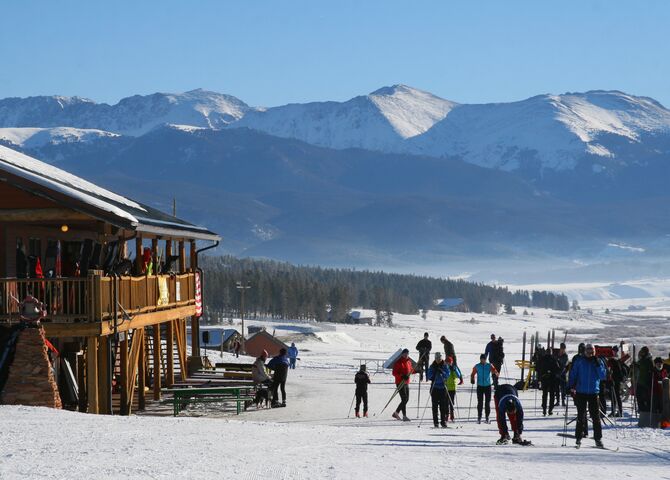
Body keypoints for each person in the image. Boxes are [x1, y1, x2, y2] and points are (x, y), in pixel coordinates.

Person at [569, 343, 607, 448]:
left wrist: (598, 365)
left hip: (593, 392)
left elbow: (603, 376)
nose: (590, 354)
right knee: (581, 416)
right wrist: (570, 385)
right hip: (581, 391)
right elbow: (573, 374)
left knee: (596, 417)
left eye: (592, 352)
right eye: (588, 352)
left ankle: (598, 438)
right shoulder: (580, 361)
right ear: (585, 352)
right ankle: (578, 437)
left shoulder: (598, 361)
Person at [471, 354, 498, 423]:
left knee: (487, 403)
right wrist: (472, 379)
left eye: (484, 359)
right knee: (480, 402)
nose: (482, 361)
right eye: (481, 359)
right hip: (480, 386)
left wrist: (495, 374)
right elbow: (473, 373)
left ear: (486, 359)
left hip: (487, 386)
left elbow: (495, 372)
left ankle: (487, 417)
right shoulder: (477, 366)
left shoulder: (489, 365)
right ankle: (479, 417)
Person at [426, 352, 451, 427]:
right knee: (434, 406)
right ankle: (435, 422)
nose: (438, 360)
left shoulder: (445, 365)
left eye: (439, 358)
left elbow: (447, 374)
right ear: (435, 358)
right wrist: (434, 373)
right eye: (437, 358)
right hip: (434, 388)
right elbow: (428, 375)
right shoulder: (432, 366)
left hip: (443, 388)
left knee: (443, 406)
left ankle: (443, 422)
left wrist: (442, 372)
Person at [392, 348, 415, 421]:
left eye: (407, 354)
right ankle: (402, 415)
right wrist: (402, 375)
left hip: (406, 382)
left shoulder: (409, 362)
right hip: (400, 382)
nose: (406, 355)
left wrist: (417, 370)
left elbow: (411, 370)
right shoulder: (398, 362)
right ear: (402, 354)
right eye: (405, 354)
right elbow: (394, 373)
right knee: (404, 399)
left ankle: (397, 413)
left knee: (406, 399)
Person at [537, 347, 560, 415]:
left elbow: (537, 368)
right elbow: (558, 369)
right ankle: (550, 410)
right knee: (552, 395)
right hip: (552, 379)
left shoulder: (542, 359)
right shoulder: (553, 359)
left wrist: (540, 376)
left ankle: (544, 409)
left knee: (544, 394)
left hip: (544, 379)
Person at [635, 346, 654, 412]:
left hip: (645, 383)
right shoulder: (642, 360)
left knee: (645, 399)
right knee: (639, 398)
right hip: (640, 382)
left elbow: (650, 371)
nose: (641, 353)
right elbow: (641, 368)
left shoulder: (649, 361)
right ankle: (642, 411)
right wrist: (636, 366)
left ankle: (646, 412)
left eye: (642, 351)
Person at [608, 347, 626, 417]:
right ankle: (617, 411)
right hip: (616, 380)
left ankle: (618, 411)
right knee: (615, 396)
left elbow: (615, 371)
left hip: (615, 380)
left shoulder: (613, 361)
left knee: (616, 396)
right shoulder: (616, 360)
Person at [445, 355, 463, 422]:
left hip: (452, 387)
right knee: (445, 402)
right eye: (447, 362)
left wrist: (454, 370)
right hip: (446, 387)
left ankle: (452, 415)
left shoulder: (454, 368)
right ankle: (446, 415)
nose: (448, 364)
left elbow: (458, 375)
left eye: (449, 362)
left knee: (451, 402)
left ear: (451, 362)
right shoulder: (444, 368)